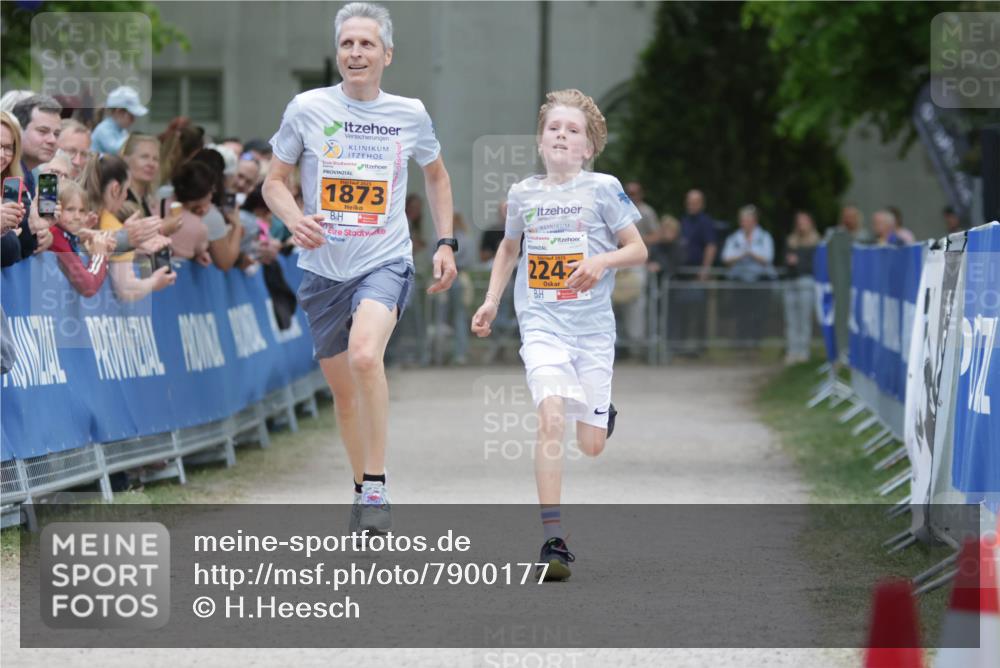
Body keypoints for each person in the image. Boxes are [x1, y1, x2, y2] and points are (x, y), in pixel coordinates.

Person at [262, 2, 457, 534]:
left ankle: (377, 483)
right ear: (337, 53)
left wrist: (445, 242)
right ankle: (360, 487)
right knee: (344, 396)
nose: (356, 52)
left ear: (386, 54)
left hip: (384, 258)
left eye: (366, 44)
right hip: (323, 269)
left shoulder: (409, 114)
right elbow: (272, 182)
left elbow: (436, 177)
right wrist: (295, 218)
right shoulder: (306, 107)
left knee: (367, 356)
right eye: (347, 43)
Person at [471, 89, 647, 581]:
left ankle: (600, 415)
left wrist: (599, 261)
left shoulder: (605, 188)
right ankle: (554, 540)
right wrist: (490, 300)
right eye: (554, 128)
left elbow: (637, 250)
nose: (563, 136)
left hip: (591, 331)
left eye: (574, 131)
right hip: (543, 324)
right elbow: (509, 249)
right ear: (540, 140)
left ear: (588, 147)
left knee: (590, 445)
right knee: (550, 418)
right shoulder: (524, 193)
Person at [84, 154, 175, 301]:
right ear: (115, 189)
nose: (126, 196)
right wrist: (155, 282)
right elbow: (126, 289)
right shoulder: (110, 223)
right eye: (127, 189)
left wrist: (134, 245)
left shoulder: (76, 212)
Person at [48, 180, 114, 297]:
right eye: (70, 209)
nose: (77, 216)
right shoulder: (56, 235)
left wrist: (79, 240)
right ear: (55, 208)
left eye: (82, 210)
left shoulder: (63, 234)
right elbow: (88, 287)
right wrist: (99, 255)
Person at [721, 205, 776, 347]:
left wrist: (750, 253)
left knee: (758, 313)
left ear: (754, 221)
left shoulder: (764, 237)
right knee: (740, 312)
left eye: (748, 220)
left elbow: (767, 258)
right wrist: (742, 254)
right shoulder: (734, 238)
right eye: (743, 220)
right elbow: (726, 258)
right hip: (739, 282)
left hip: (759, 281)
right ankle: (741, 342)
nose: (745, 223)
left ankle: (756, 342)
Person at [782, 211, 820, 365]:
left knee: (804, 318)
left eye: (804, 221)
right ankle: (792, 350)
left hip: (806, 282)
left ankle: (803, 351)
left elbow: (814, 265)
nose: (801, 225)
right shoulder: (791, 241)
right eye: (799, 222)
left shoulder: (816, 242)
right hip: (791, 282)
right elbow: (785, 262)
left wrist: (798, 262)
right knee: (791, 319)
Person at [91, 86, 148, 156]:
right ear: (119, 111)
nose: (134, 120)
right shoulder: (103, 130)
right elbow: (118, 150)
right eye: (131, 115)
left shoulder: (122, 131)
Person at [121, 134, 161, 217]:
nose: (151, 164)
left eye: (155, 159)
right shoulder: (121, 199)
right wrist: (163, 228)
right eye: (144, 157)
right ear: (126, 160)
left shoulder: (145, 199)